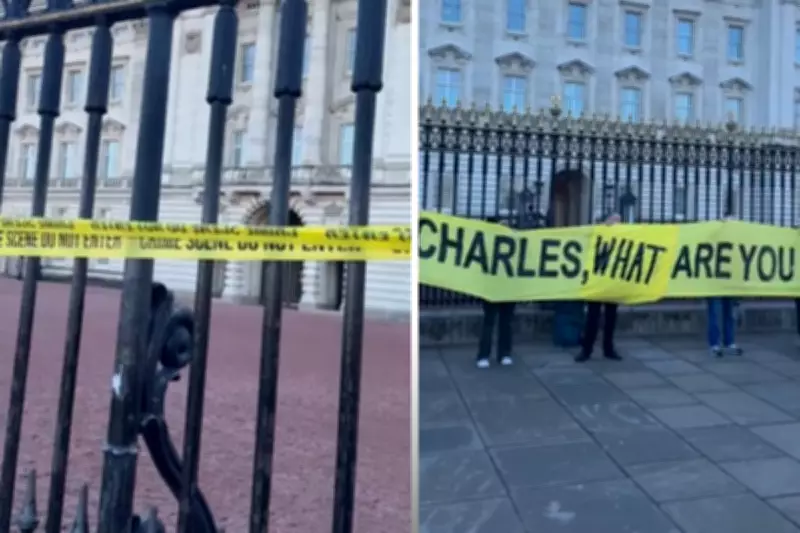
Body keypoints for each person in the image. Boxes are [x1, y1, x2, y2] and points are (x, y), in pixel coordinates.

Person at [575, 213, 623, 363]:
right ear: (606, 221)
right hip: (597, 283)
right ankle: (587, 349)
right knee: (592, 317)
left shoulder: (623, 237)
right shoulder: (598, 234)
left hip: (613, 283)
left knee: (611, 317)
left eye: (619, 222)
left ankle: (608, 348)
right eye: (614, 221)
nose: (616, 224)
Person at [476, 216, 516, 368]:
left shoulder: (515, 243)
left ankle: (504, 353)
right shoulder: (486, 244)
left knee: (506, 322)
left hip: (509, 288)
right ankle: (484, 355)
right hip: (491, 288)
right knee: (489, 321)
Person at [707, 214, 742, 358]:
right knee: (714, 313)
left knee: (729, 313)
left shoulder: (736, 244)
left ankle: (729, 341)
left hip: (729, 283)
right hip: (714, 283)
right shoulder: (713, 241)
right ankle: (714, 344)